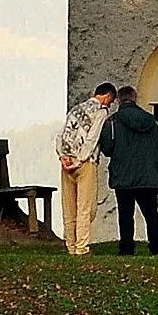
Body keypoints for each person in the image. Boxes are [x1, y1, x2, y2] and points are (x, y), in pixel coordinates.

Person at [98, 85, 158, 256]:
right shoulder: (152, 121)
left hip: (123, 175)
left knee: (125, 214)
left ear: (119, 100)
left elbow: (107, 148)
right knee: (151, 213)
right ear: (135, 99)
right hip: (148, 175)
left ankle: (127, 248)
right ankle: (157, 246)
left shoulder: (113, 122)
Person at [55, 81, 118, 256]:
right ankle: (82, 247)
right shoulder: (100, 112)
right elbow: (92, 138)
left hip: (66, 161)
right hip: (85, 163)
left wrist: (63, 157)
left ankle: (71, 245)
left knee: (69, 208)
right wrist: (80, 159)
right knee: (86, 207)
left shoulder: (76, 109)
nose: (110, 105)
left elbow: (61, 136)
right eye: (111, 101)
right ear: (107, 97)